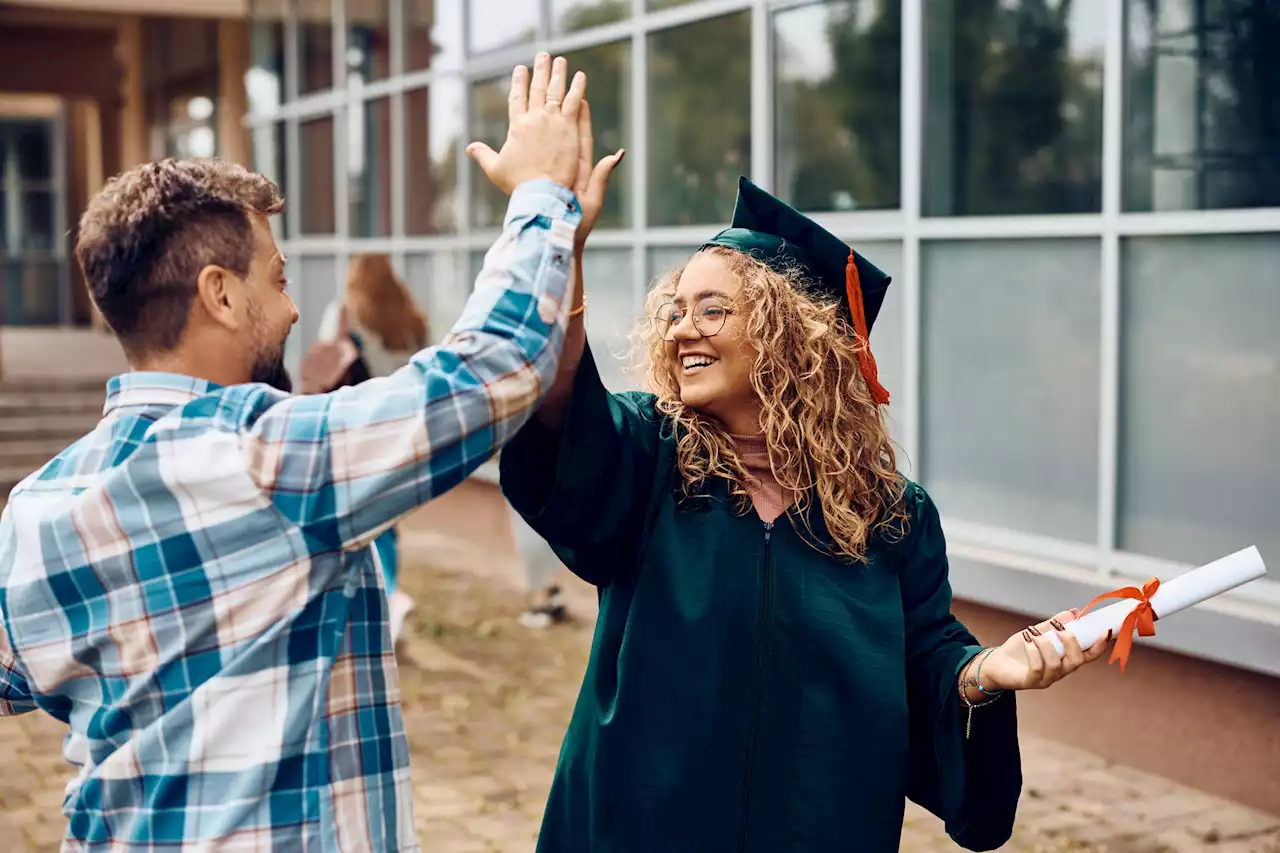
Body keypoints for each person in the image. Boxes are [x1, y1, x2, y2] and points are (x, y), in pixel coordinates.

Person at [0, 53, 588, 851]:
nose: (290, 306)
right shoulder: (264, 459)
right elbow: (489, 371)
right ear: (220, 292)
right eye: (275, 279)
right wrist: (542, 194)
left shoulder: (34, 510)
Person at [492, 174, 1113, 852]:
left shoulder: (888, 516)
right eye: (675, 310)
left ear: (790, 336)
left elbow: (922, 658)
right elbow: (563, 415)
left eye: (712, 310)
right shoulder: (651, 459)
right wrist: (561, 249)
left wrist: (984, 673)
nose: (680, 331)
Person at [313, 253, 433, 642]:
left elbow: (326, 362)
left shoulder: (343, 315)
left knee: (357, 513)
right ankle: (392, 590)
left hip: (357, 426)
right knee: (387, 515)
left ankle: (383, 599)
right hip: (403, 430)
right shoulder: (413, 321)